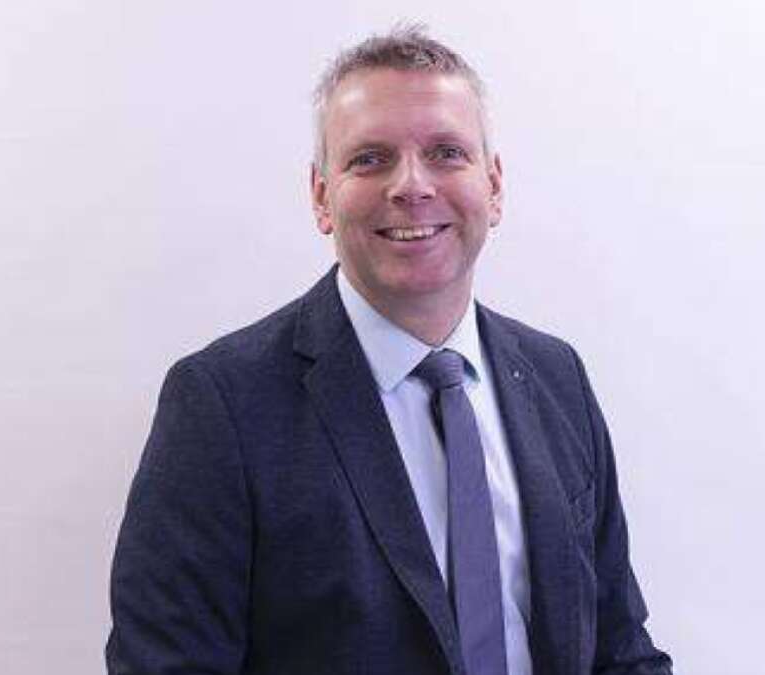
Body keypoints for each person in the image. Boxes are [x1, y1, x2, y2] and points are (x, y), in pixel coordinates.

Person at [106, 26, 673, 675]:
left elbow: (620, 647)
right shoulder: (222, 405)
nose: (412, 185)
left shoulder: (556, 376)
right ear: (321, 195)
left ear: (493, 186)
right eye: (370, 158)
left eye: (446, 153)